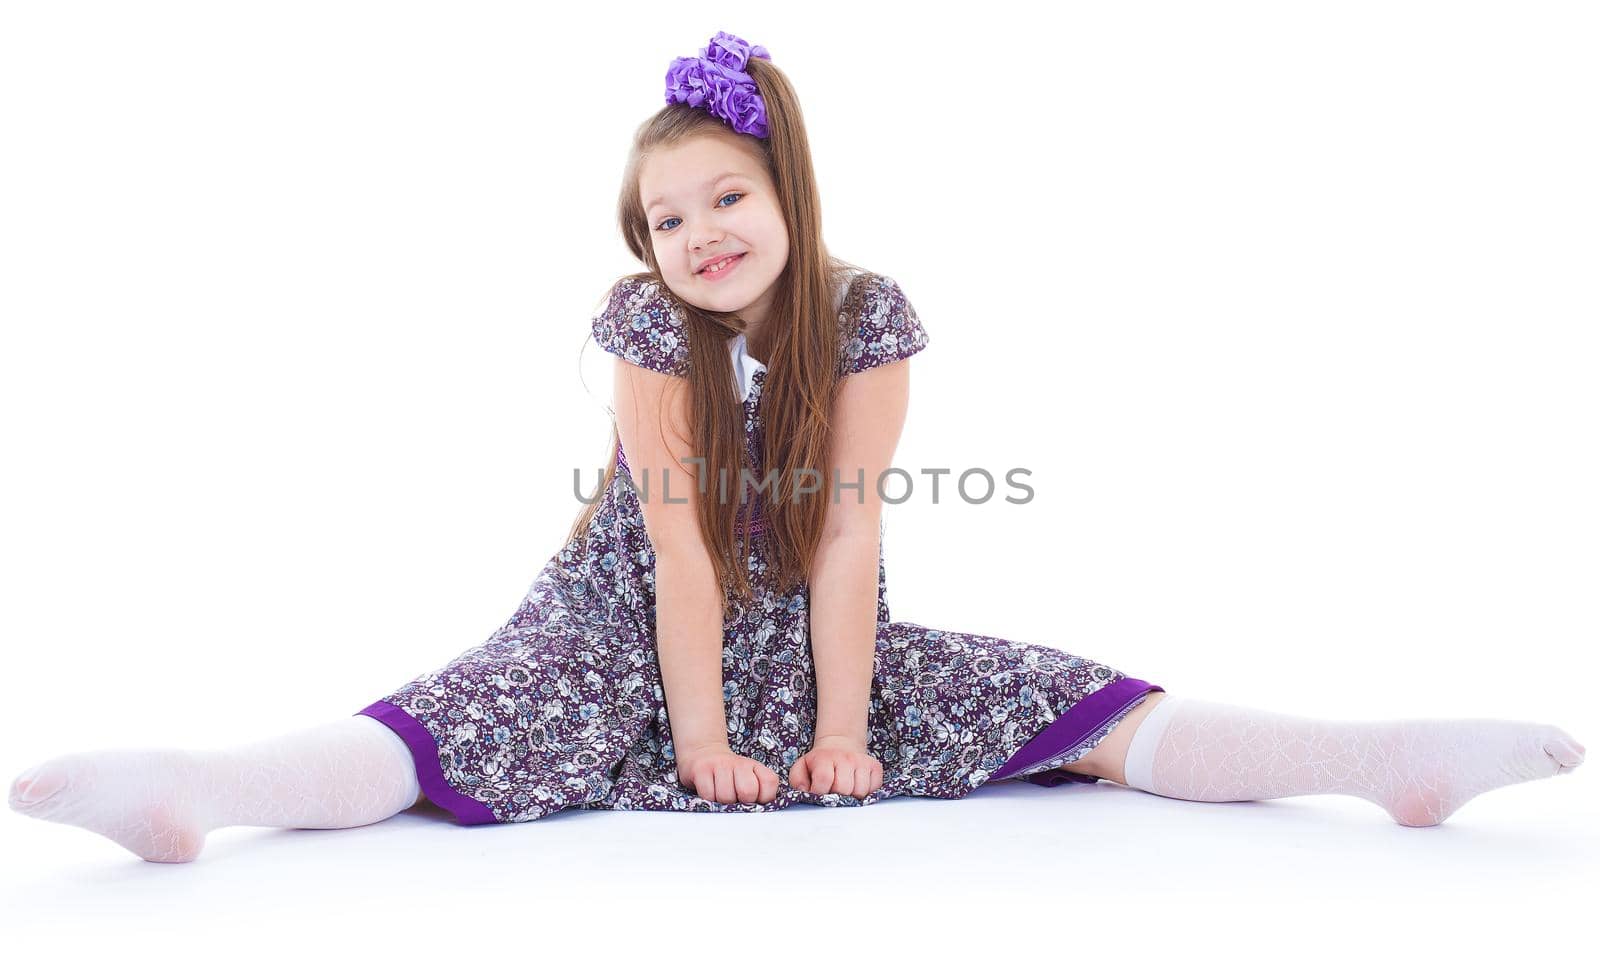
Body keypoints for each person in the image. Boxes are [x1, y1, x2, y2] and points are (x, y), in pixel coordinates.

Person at [9, 32, 1585, 864]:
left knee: (1056, 695)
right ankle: (201, 789)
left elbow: (845, 540)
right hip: (627, 627)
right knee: (461, 723)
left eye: (721, 200)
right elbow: (681, 549)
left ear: (785, 189)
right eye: (665, 218)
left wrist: (843, 725)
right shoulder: (646, 329)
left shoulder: (870, 315)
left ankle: (1382, 764)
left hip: (812, 628)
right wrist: (700, 738)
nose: (695, 235)